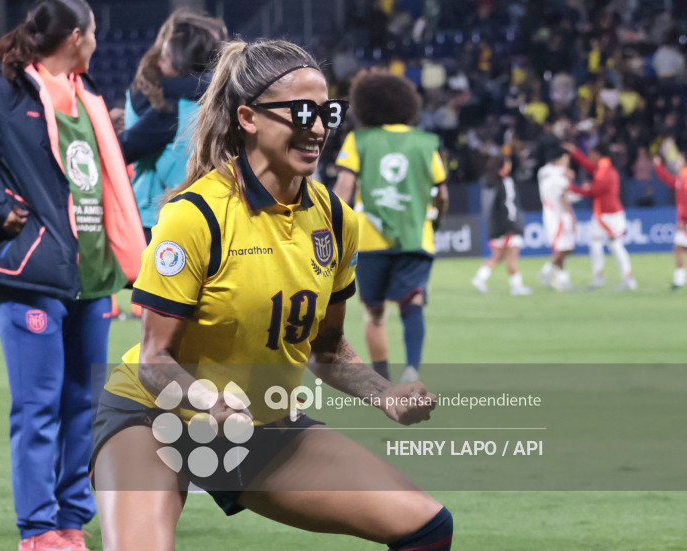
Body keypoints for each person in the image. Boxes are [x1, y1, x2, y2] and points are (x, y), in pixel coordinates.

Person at [91, 40, 453, 551]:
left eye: (327, 112)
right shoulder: (195, 215)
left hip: (258, 427)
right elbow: (154, 358)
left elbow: (327, 349)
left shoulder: (336, 219)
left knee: (428, 527)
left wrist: (384, 394)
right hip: (154, 416)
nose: (318, 128)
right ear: (248, 118)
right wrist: (206, 400)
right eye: (302, 112)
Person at [0, 1, 145, 550]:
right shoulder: (3, 91)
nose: (97, 43)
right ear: (75, 36)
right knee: (38, 405)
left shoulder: (87, 94)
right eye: (93, 33)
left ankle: (71, 522)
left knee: (83, 406)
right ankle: (39, 530)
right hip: (31, 270)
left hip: (91, 274)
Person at [333, 69, 448, 384]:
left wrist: (327, 226)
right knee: (413, 302)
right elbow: (442, 195)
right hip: (415, 239)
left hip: (370, 241)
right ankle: (412, 371)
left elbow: (344, 187)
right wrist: (435, 221)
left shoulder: (359, 140)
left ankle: (382, 379)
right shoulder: (425, 142)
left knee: (374, 313)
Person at [118, 8, 227, 243]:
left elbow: (124, 148)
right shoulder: (220, 101)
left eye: (166, 58)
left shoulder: (170, 107)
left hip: (154, 215)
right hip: (204, 213)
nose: (159, 62)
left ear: (180, 64)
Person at [562, 141, 637, 291]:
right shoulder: (603, 167)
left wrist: (574, 188)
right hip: (601, 214)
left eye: (592, 153)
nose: (590, 156)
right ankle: (599, 277)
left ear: (598, 154)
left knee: (615, 245)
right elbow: (588, 166)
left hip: (611, 215)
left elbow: (595, 190)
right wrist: (575, 152)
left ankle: (628, 278)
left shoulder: (606, 171)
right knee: (595, 244)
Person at [471, 156, 532, 296]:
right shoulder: (504, 182)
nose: (510, 165)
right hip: (507, 226)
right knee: (512, 256)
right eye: (507, 163)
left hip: (496, 226)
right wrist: (511, 225)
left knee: (498, 256)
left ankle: (479, 278)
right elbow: (509, 206)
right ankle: (517, 287)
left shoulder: (489, 182)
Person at [536, 147, 578, 291]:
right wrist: (571, 217)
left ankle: (562, 280)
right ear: (559, 159)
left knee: (563, 248)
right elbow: (564, 197)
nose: (568, 161)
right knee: (565, 249)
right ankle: (546, 271)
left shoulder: (543, 171)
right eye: (566, 158)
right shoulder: (560, 175)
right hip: (559, 215)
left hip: (550, 212)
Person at [653, 153, 687, 289]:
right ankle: (679, 281)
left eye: (679, 160)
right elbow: (670, 180)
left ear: (685, 161)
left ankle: (679, 281)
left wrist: (685, 219)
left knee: (680, 248)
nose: (676, 162)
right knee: (680, 248)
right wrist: (658, 166)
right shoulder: (682, 176)